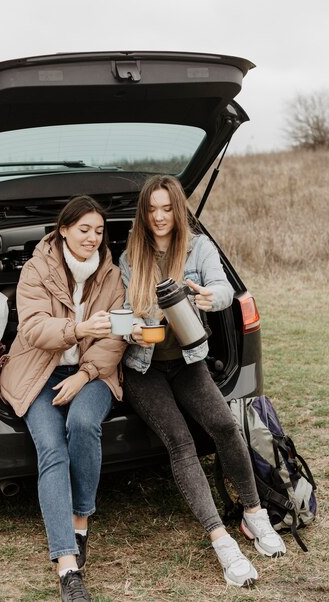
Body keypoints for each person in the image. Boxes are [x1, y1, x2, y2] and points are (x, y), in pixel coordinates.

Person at [118, 175, 286, 588]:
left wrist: (213, 297)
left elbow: (222, 287)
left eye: (166, 208)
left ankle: (253, 515)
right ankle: (221, 540)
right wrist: (135, 328)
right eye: (152, 209)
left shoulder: (198, 247)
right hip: (144, 368)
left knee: (226, 427)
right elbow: (124, 311)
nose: (159, 217)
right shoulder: (130, 257)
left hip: (188, 361)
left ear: (177, 208)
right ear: (144, 212)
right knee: (181, 442)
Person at [0, 196, 126, 602]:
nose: (93, 238)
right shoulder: (36, 270)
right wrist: (80, 327)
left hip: (94, 372)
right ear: (63, 229)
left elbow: (116, 337)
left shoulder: (112, 275)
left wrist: (84, 375)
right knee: (52, 450)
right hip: (39, 370)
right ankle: (68, 567)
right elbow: (34, 329)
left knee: (83, 423)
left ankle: (80, 521)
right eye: (84, 229)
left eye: (99, 231)